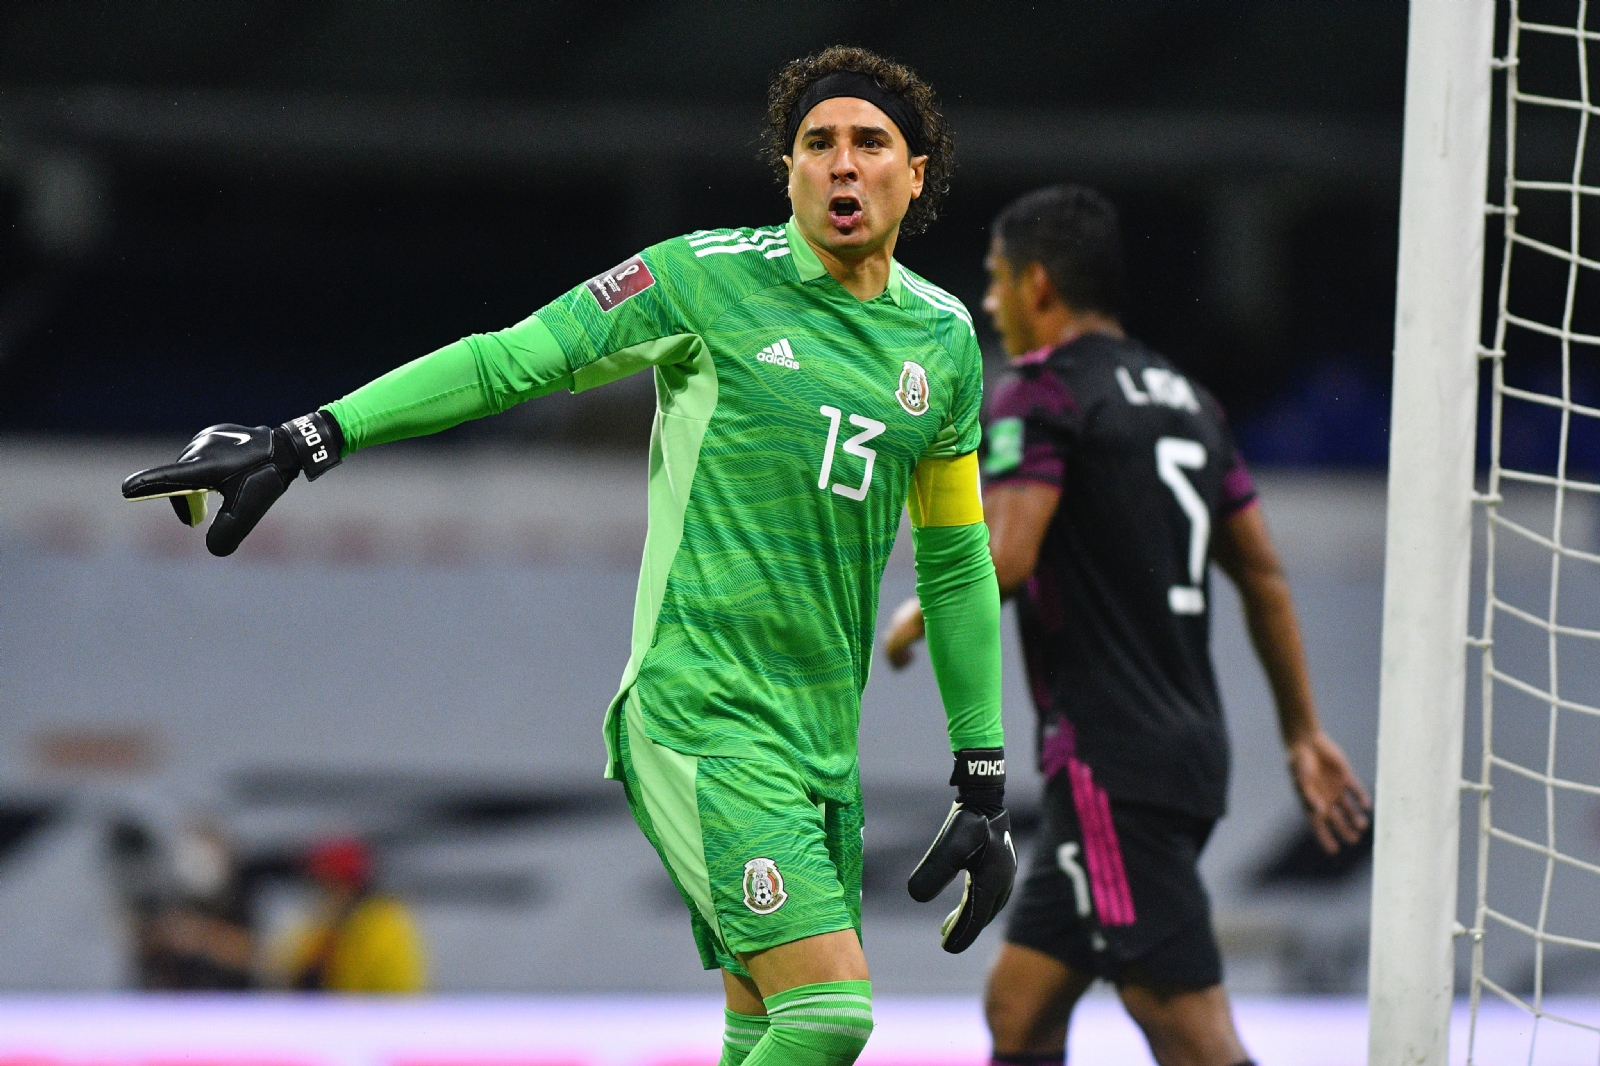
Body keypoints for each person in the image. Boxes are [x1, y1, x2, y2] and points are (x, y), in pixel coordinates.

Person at [123, 46, 1015, 1066]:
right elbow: (513, 357)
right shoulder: (700, 281)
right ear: (787, 168)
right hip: (699, 715)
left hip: (817, 741)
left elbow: (953, 562)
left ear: (918, 172)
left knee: (760, 1030)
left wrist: (981, 776)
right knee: (829, 1016)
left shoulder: (940, 343)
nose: (842, 166)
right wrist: (310, 436)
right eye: (818, 144)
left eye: (869, 145)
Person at [882, 185, 1371, 1066]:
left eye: (995, 283)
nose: (988, 304)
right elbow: (1260, 570)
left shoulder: (1039, 394)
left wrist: (924, 608)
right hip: (1184, 748)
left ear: (1037, 285)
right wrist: (1302, 732)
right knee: (1020, 1010)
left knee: (1181, 1021)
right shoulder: (1187, 399)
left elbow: (1013, 553)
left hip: (1111, 758)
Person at [273, 836, 426, 994]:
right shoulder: (327, 922)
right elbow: (283, 966)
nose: (317, 891)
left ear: (344, 884)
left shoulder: (381, 923)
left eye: (323, 882)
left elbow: (384, 994)